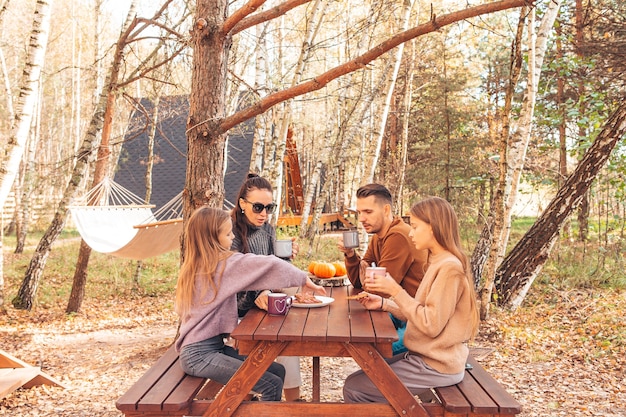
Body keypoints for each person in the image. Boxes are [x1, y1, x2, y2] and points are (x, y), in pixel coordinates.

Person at [174, 206, 325, 401]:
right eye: (227, 234)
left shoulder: (197, 265)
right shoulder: (222, 265)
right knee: (272, 384)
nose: (231, 238)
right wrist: (302, 278)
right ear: (212, 238)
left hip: (208, 349)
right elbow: (268, 264)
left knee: (277, 370)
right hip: (200, 356)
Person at [343, 196, 480, 403]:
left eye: (415, 227)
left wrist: (395, 291)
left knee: (355, 388)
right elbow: (422, 311)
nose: (411, 232)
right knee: (361, 375)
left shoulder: (449, 268)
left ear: (433, 228)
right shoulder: (438, 261)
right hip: (425, 356)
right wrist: (383, 304)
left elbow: (430, 324)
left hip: (437, 364)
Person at [231, 173, 303, 401]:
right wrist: (260, 291)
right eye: (258, 207)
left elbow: (273, 271)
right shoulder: (229, 232)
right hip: (239, 313)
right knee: (277, 340)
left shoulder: (268, 230)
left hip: (264, 306)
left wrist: (286, 259)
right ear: (243, 203)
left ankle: (294, 405)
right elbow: (234, 279)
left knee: (288, 340)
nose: (264, 214)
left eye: (269, 207)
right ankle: (252, 402)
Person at [337, 183, 428, 354]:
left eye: (368, 212)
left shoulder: (398, 236)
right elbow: (358, 281)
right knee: (352, 324)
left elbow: (379, 290)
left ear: (386, 210)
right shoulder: (379, 237)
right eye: (359, 212)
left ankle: (388, 380)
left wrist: (367, 277)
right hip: (397, 311)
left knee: (371, 351)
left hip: (415, 320)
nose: (362, 218)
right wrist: (350, 255)